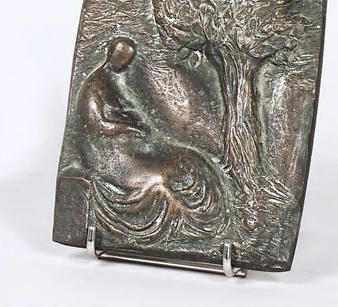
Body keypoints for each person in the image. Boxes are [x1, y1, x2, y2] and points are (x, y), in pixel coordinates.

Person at [77, 37, 226, 241]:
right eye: (123, 59)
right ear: (112, 55)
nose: (125, 65)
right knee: (162, 177)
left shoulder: (110, 81)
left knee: (185, 157)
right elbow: (100, 124)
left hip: (130, 144)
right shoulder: (94, 86)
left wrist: (136, 123)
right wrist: (130, 127)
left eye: (128, 60)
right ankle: (188, 224)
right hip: (109, 155)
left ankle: (212, 219)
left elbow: (121, 112)